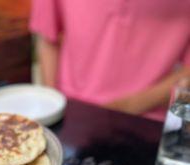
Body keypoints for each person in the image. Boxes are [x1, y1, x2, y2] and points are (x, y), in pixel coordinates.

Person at [30, 0, 190, 121]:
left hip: (148, 120)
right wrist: (51, 107)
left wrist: (124, 107)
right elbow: (47, 38)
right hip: (69, 112)